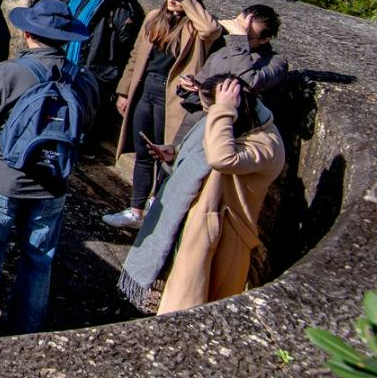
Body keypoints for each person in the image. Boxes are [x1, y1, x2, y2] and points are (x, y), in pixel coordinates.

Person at [0, 0, 99, 339]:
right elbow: (85, 128)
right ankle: (26, 329)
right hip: (52, 184)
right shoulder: (84, 79)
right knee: (39, 260)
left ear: (28, 33)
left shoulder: (8, 73)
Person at [117, 74, 286, 314]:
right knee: (174, 288)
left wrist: (223, 109)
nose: (210, 117)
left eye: (211, 111)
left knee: (191, 303)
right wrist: (174, 153)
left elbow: (221, 158)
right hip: (192, 218)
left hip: (221, 234)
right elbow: (206, 151)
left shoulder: (266, 143)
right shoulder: (232, 125)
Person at [104, 0, 222, 229]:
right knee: (143, 151)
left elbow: (212, 29)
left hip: (173, 96)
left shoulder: (195, 28)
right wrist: (124, 91)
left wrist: (185, 1)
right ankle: (135, 211)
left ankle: (156, 210)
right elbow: (136, 56)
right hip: (145, 88)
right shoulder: (154, 17)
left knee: (166, 155)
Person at [60, 0, 139, 120]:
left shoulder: (117, 0)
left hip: (95, 69)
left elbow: (125, 39)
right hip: (67, 61)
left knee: (85, 116)